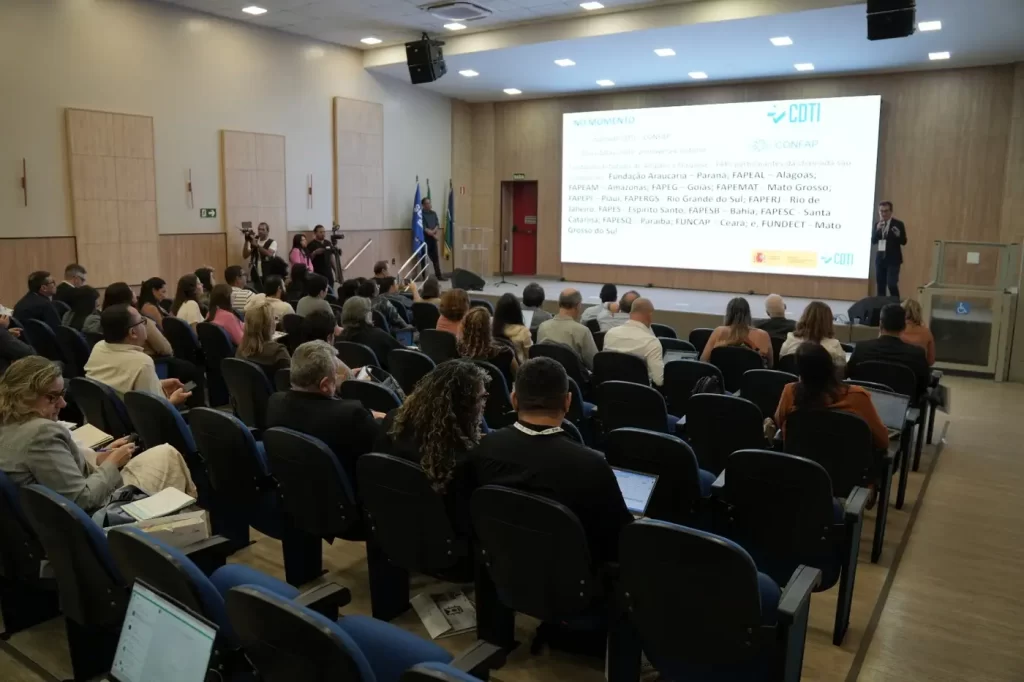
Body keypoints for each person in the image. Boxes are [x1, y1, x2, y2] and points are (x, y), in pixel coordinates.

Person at [472, 358, 632, 564]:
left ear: (514, 400)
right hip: (573, 574)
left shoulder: (484, 448)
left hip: (503, 567)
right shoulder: (592, 465)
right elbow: (618, 538)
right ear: (568, 402)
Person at [0, 357, 196, 515]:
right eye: (52, 397)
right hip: (96, 515)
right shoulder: (40, 432)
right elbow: (81, 500)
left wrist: (98, 457)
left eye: (62, 394)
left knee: (160, 455)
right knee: (167, 455)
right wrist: (112, 463)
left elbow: (54, 470)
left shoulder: (8, 422)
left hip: (51, 517)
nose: (63, 404)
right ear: (23, 395)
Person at [375, 361, 489, 535]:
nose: (485, 403)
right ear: (464, 406)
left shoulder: (393, 421)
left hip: (393, 524)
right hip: (444, 537)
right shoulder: (463, 459)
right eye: (482, 397)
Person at [266, 341, 380, 484]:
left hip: (295, 483)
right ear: (324, 385)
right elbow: (380, 452)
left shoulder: (274, 403)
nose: (337, 377)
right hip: (345, 488)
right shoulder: (352, 415)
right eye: (335, 374)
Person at [773, 342, 888, 449]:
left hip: (803, 462)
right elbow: (883, 441)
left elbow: (780, 423)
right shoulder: (858, 397)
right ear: (832, 367)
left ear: (800, 372)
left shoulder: (790, 392)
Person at [85, 305, 192, 407]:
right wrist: (173, 401)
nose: (145, 324)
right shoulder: (142, 362)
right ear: (133, 332)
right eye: (142, 321)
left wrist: (157, 384)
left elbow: (117, 387)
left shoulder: (98, 347)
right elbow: (156, 412)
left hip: (104, 418)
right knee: (191, 384)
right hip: (136, 419)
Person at [847, 303, 930, 400]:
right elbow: (923, 386)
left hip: (864, 404)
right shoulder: (917, 354)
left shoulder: (861, 348)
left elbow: (850, 375)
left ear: (880, 324)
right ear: (904, 326)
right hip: (902, 407)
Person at [603, 297, 665, 386]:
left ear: (630, 313)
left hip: (609, 390)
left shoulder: (610, 334)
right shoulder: (652, 343)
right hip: (639, 393)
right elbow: (659, 381)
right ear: (650, 315)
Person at [102, 283, 173, 358]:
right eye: (131, 291)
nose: (134, 293)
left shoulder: (105, 320)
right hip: (151, 359)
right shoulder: (141, 322)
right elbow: (166, 349)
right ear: (126, 297)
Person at [700, 297, 773, 367]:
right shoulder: (763, 335)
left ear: (728, 314)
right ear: (748, 314)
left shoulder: (719, 332)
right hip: (752, 376)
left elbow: (703, 360)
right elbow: (770, 365)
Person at [537, 289, 599, 370]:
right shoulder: (583, 331)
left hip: (545, 374)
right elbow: (594, 364)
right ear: (578, 306)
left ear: (559, 303)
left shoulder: (542, 327)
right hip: (572, 377)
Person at [338, 297, 401, 371]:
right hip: (384, 376)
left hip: (356, 377)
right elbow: (402, 355)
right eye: (370, 310)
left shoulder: (339, 339)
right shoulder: (378, 336)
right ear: (367, 315)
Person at [779, 301, 847, 370]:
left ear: (804, 317)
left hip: (792, 376)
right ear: (828, 322)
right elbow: (841, 371)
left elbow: (781, 362)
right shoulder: (834, 346)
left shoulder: (790, 340)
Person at [459, 307, 518, 387]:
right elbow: (519, 379)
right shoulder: (505, 353)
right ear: (489, 328)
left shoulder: (456, 351)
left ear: (464, 327)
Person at [236, 299, 291, 381]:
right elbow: (292, 381)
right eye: (274, 318)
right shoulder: (278, 352)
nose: (275, 322)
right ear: (268, 325)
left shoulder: (240, 350)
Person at [872, 200, 907, 298]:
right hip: (880, 260)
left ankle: (896, 305)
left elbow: (904, 241)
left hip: (893, 260)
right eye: (881, 211)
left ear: (891, 211)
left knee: (891, 284)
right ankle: (881, 307)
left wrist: (898, 235)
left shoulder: (898, 224)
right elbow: (873, 241)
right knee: (880, 286)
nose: (883, 214)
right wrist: (877, 230)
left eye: (886, 211)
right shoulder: (877, 224)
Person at [493, 293, 532, 364]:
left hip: (496, 365)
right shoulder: (523, 332)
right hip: (519, 367)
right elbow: (530, 355)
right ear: (517, 311)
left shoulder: (491, 327)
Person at [242, 221, 278, 291]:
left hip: (268, 273)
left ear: (267, 231)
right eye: (259, 229)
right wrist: (246, 241)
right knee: (256, 292)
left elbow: (269, 254)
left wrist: (257, 246)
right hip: (256, 273)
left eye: (263, 229)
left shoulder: (272, 242)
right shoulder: (254, 240)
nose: (260, 231)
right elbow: (245, 255)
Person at [900, 299, 936, 366]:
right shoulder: (927, 332)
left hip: (897, 370)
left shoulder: (895, 331)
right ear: (918, 313)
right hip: (918, 371)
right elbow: (931, 361)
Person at [421, 197, 444, 280]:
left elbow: (437, 224)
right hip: (425, 239)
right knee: (423, 258)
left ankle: (439, 275)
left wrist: (434, 232)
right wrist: (434, 235)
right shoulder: (421, 214)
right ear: (423, 205)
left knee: (435, 258)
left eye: (429, 203)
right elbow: (424, 228)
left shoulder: (433, 213)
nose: (429, 205)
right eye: (427, 203)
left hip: (433, 239)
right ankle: (424, 277)